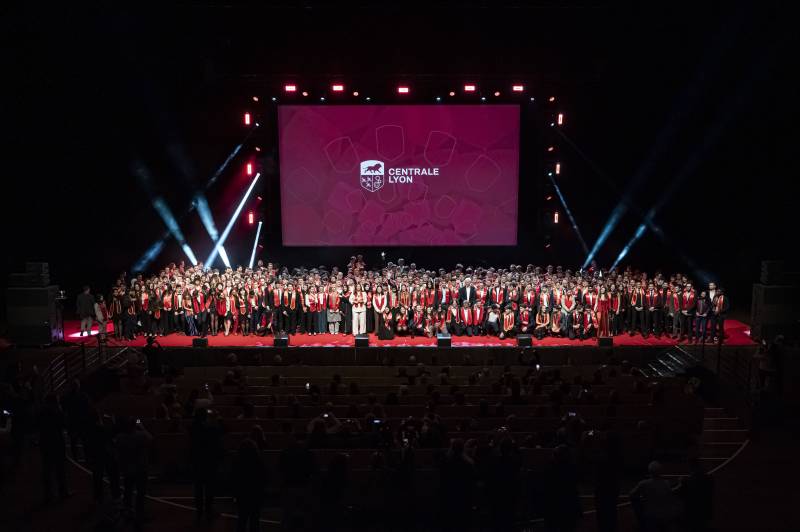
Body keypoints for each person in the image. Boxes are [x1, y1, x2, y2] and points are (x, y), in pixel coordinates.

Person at [190, 408, 225, 520]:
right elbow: (222, 431)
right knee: (209, 487)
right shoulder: (210, 429)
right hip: (209, 462)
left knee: (199, 488)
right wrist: (217, 419)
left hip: (197, 462)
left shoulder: (193, 428)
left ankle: (199, 511)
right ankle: (208, 509)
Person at [117, 416, 152, 523]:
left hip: (127, 469)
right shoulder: (140, 435)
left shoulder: (120, 437)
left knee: (128, 491)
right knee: (141, 493)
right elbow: (151, 439)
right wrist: (141, 426)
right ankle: (139, 514)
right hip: (140, 468)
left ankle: (128, 512)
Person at [629, 461, 680, 532]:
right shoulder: (666, 483)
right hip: (665, 516)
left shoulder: (644, 484)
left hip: (650, 516)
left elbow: (632, 495)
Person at [39, 393, 71, 503]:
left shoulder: (42, 412)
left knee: (47, 470)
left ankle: (49, 495)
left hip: (45, 443)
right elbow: (64, 424)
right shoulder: (57, 412)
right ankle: (63, 492)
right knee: (60, 469)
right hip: (56, 442)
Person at [232, 438, 268, 532]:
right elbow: (264, 478)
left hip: (242, 495)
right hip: (255, 495)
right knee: (255, 521)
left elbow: (233, 478)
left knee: (242, 520)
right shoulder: (259, 461)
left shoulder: (237, 462)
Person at [677, 458, 714, 532]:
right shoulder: (708, 478)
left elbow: (681, 494)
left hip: (692, 513)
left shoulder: (687, 481)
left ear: (690, 467)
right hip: (704, 512)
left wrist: (681, 483)